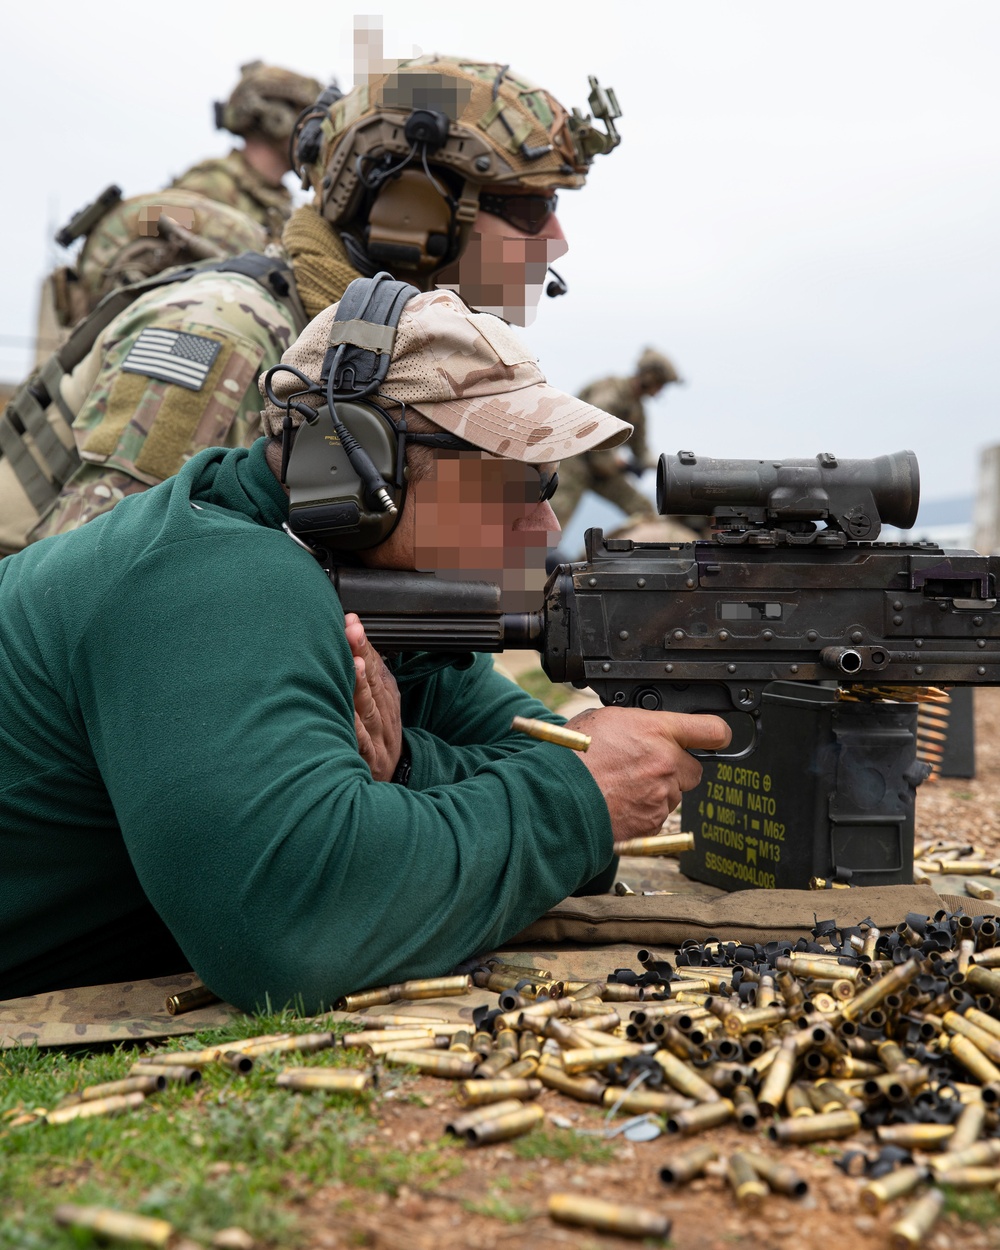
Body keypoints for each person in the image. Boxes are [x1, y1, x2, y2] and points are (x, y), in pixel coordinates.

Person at [0, 282, 729, 1010]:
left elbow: (537, 775)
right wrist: (581, 797)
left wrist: (410, 767)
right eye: (508, 484)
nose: (542, 527)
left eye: (547, 484)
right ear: (352, 467)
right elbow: (294, 929)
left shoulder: (380, 605)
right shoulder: (218, 581)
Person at [1, 54, 621, 555]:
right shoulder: (231, 333)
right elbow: (90, 603)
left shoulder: (376, 361)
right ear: (416, 204)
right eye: (532, 210)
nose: (556, 242)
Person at [170, 61, 325, 238]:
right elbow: (149, 224)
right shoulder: (214, 184)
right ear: (277, 119)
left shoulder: (281, 202)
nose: (317, 133)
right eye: (306, 118)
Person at [552, 348, 683, 529]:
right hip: (574, 462)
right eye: (661, 384)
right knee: (554, 518)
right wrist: (615, 462)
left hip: (602, 471)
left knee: (643, 509)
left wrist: (666, 468)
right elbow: (593, 430)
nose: (660, 391)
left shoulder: (636, 409)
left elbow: (641, 450)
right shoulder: (610, 392)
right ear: (651, 378)